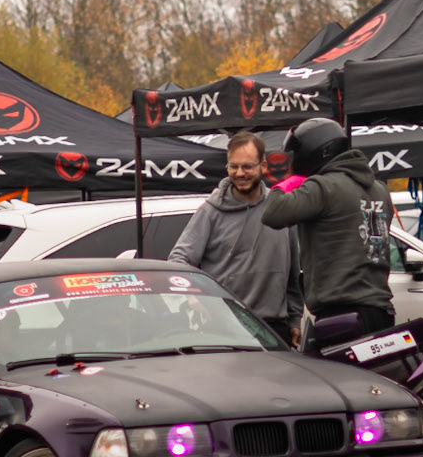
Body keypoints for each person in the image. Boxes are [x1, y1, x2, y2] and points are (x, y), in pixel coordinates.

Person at [261, 118, 395, 342]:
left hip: (342, 316)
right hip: (382, 311)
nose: (293, 161)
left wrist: (290, 181)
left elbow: (272, 212)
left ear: (318, 150)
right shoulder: (380, 189)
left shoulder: (323, 186)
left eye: (296, 154)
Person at [169, 129, 304, 344]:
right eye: (234, 166)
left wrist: (295, 319)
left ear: (263, 166)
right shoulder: (211, 211)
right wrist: (195, 297)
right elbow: (178, 260)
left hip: (275, 329)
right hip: (225, 328)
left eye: (247, 166)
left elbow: (293, 276)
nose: (240, 173)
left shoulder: (280, 209)